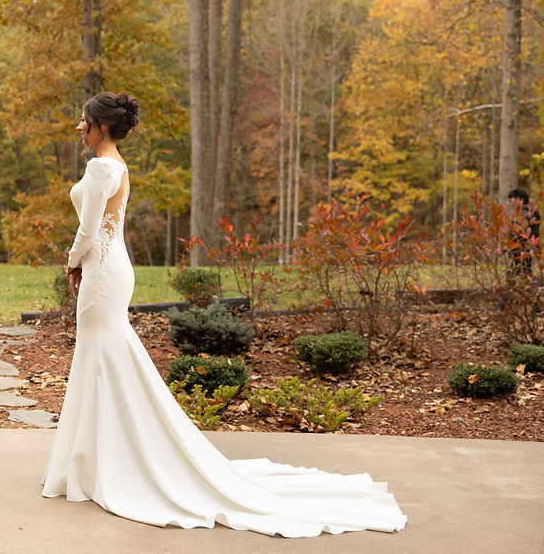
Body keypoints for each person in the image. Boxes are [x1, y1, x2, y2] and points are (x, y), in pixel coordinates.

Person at [42, 91, 407, 537]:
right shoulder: (112, 165)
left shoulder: (102, 167)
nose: (78, 127)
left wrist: (71, 261)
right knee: (100, 359)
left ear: (101, 126)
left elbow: (88, 226)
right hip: (108, 267)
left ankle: (110, 462)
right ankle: (96, 459)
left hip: (102, 272)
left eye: (83, 121)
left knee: (104, 358)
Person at [506, 188, 540, 280]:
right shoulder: (526, 212)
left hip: (522, 248)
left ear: (520, 200)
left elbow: (526, 230)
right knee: (524, 270)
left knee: (517, 272)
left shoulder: (526, 213)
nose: (509, 203)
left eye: (511, 200)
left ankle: (529, 289)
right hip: (524, 247)